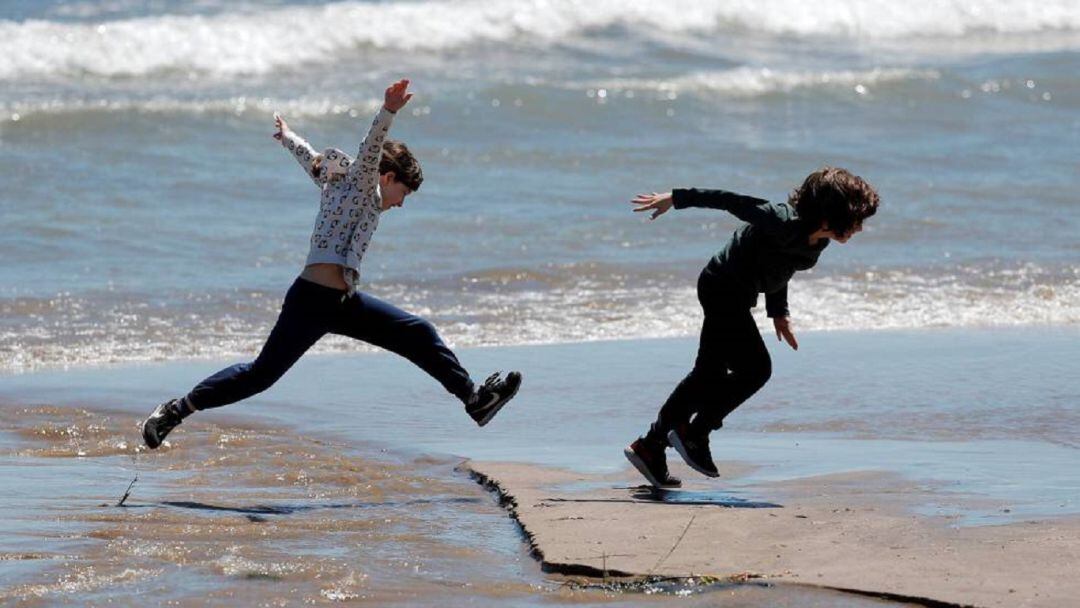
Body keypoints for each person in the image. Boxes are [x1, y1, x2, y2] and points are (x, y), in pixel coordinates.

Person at [141, 79, 521, 449]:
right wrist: (387, 110)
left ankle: (475, 400)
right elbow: (370, 148)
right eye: (402, 192)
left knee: (417, 333)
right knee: (259, 376)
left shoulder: (337, 183)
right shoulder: (360, 185)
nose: (401, 203)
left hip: (343, 303)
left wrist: (288, 136)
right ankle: (175, 410)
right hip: (310, 300)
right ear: (386, 177)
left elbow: (312, 162)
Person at [623, 168, 879, 487]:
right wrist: (676, 198)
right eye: (857, 219)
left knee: (708, 374)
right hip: (721, 286)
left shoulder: (818, 241)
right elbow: (731, 201)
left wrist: (778, 313)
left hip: (737, 293)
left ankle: (651, 446)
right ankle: (694, 432)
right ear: (831, 214)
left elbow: (779, 268)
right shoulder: (780, 219)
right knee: (756, 369)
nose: (859, 228)